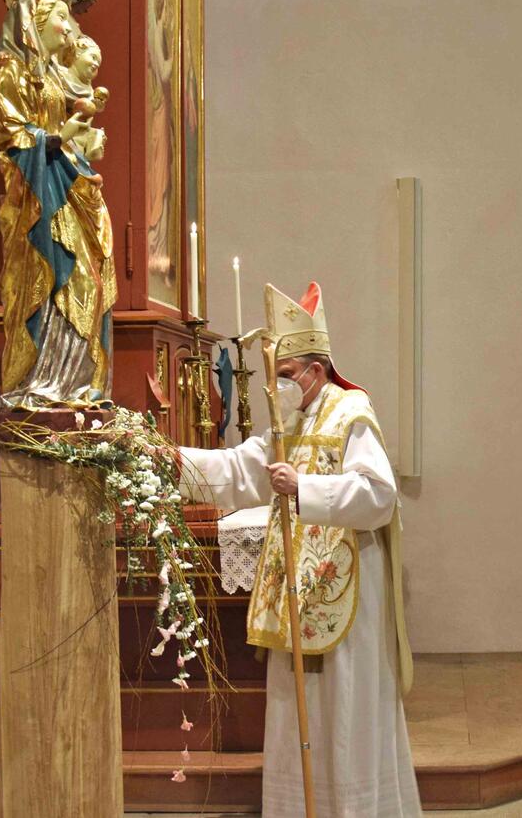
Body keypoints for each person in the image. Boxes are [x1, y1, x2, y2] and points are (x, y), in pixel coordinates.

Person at [180, 282, 420, 817]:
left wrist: (305, 490)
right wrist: (173, 463)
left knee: (345, 706)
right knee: (297, 708)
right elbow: (244, 468)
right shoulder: (296, 419)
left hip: (347, 589)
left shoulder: (349, 413)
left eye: (285, 377)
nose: (278, 389)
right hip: (299, 588)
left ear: (315, 369)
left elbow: (379, 497)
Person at [0, 0, 116, 408]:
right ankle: (44, 384)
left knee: (88, 278)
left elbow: (69, 117)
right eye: (61, 17)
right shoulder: (10, 67)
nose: (69, 30)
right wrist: (57, 138)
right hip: (37, 196)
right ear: (33, 19)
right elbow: (8, 133)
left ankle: (77, 384)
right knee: (60, 278)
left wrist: (74, 132)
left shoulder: (49, 75)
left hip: (67, 184)